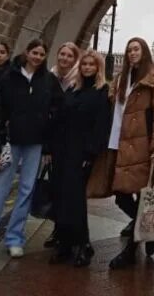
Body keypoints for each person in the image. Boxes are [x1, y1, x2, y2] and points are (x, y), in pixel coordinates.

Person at [0, 39, 53, 259]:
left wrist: (48, 143)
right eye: (34, 52)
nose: (37, 57)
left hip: (35, 143)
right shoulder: (10, 77)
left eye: (41, 54)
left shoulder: (48, 80)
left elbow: (56, 110)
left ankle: (15, 238)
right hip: (11, 141)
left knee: (26, 191)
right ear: (26, 53)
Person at [102, 37, 154, 270]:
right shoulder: (121, 80)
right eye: (129, 49)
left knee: (143, 196)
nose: (132, 53)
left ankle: (130, 252)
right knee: (120, 193)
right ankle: (149, 231)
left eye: (136, 49)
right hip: (117, 143)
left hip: (141, 146)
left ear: (144, 53)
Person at [47, 50, 110, 266]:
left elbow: (101, 125)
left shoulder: (101, 91)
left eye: (92, 65)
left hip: (81, 152)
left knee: (75, 200)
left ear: (97, 67)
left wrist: (90, 153)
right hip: (62, 150)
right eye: (84, 64)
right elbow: (60, 118)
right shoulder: (74, 88)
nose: (87, 68)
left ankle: (81, 243)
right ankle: (64, 242)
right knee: (61, 196)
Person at [44, 42, 81, 250]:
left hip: (73, 143)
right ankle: (58, 229)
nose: (65, 59)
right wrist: (46, 148)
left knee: (71, 190)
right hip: (55, 141)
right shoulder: (49, 78)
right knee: (56, 188)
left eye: (69, 56)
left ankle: (71, 231)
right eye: (62, 54)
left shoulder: (79, 80)